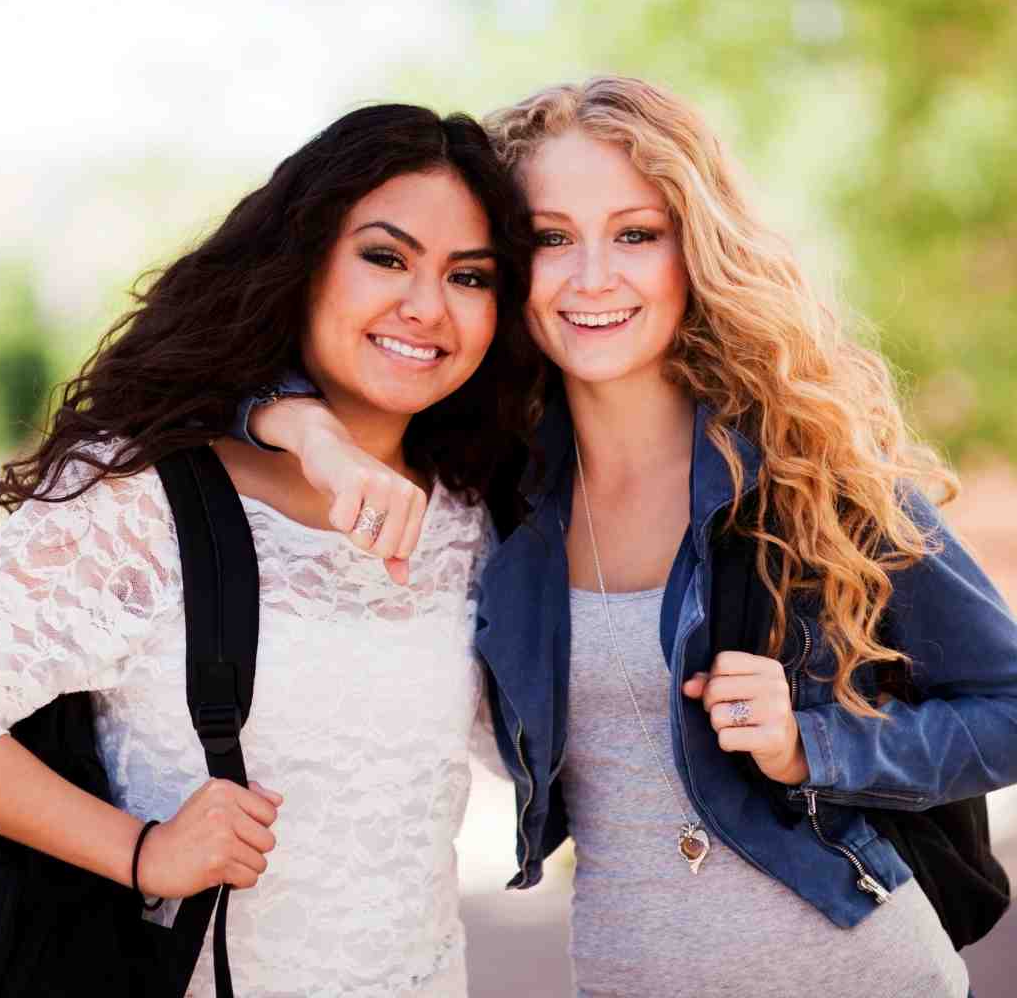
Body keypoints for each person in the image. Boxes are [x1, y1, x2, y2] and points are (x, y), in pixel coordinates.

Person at [234, 77, 1017, 997]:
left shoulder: (810, 475)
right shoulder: (497, 491)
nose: (592, 276)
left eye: (635, 234)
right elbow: (225, 370)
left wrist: (817, 746)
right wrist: (306, 431)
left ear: (694, 251)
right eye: (552, 238)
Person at [0, 103, 539, 996]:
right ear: (304, 265)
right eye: (385, 256)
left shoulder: (474, 509)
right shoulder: (144, 496)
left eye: (471, 276)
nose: (426, 306)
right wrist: (144, 853)